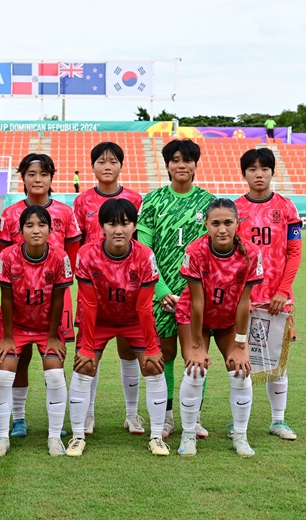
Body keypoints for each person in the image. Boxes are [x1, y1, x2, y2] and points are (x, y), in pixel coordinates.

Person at [66, 198, 169, 457]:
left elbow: (144, 307)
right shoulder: (87, 254)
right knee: (84, 366)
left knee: (153, 366)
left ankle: (157, 437)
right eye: (112, 224)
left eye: (125, 223)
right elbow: (88, 304)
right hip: (99, 320)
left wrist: (152, 347)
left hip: (134, 320)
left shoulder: (145, 256)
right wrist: (86, 347)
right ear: (102, 226)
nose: (119, 230)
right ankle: (77, 436)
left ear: (134, 226)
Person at [0, 153, 82, 438]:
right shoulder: (10, 214)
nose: (37, 179)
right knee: (18, 359)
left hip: (54, 297)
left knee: (54, 358)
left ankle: (55, 420)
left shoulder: (65, 213)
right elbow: (6, 257)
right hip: (19, 300)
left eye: (44, 174)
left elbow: (71, 257)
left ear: (51, 178)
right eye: (31, 174)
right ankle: (18, 419)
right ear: (22, 178)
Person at [137, 139, 215, 439]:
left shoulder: (208, 202)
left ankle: (194, 418)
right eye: (175, 160)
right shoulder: (153, 200)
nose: (181, 165)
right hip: (161, 294)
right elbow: (144, 250)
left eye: (187, 160)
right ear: (167, 165)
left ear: (196, 164)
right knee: (165, 354)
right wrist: (161, 291)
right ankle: (167, 417)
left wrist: (193, 293)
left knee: (196, 354)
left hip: (196, 294)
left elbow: (213, 250)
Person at [175, 198, 264, 458]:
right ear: (206, 224)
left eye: (228, 222)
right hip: (196, 318)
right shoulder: (195, 250)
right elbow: (197, 302)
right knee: (195, 369)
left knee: (240, 369)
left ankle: (240, 435)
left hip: (229, 319)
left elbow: (244, 303)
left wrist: (240, 345)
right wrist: (196, 346)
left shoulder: (250, 253)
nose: (222, 229)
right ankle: (188, 434)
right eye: (215, 223)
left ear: (238, 223)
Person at [72, 141, 144, 436]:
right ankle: (87, 415)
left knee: (129, 351)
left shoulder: (135, 199)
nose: (107, 166)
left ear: (121, 166)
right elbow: (76, 242)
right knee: (90, 350)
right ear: (92, 167)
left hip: (128, 288)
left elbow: (139, 243)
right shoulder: (82, 201)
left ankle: (132, 414)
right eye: (101, 162)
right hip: (93, 287)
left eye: (113, 161)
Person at [0, 205, 73, 457]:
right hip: (15, 327)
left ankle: (54, 437)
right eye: (29, 225)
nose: (36, 230)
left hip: (46, 327)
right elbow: (6, 299)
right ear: (20, 230)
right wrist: (7, 337)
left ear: (50, 229)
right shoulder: (8, 256)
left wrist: (53, 336)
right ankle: (4, 436)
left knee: (55, 374)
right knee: (4, 375)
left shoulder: (59, 257)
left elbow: (58, 300)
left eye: (41, 225)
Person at [235, 147, 302, 440]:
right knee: (241, 360)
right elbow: (230, 257)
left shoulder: (286, 207)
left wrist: (282, 291)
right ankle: (239, 423)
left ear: (273, 172)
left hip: (277, 299)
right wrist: (241, 296)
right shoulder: (235, 209)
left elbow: (294, 253)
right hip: (244, 300)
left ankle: (278, 420)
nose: (258, 174)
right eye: (252, 169)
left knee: (276, 361)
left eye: (264, 168)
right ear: (244, 174)